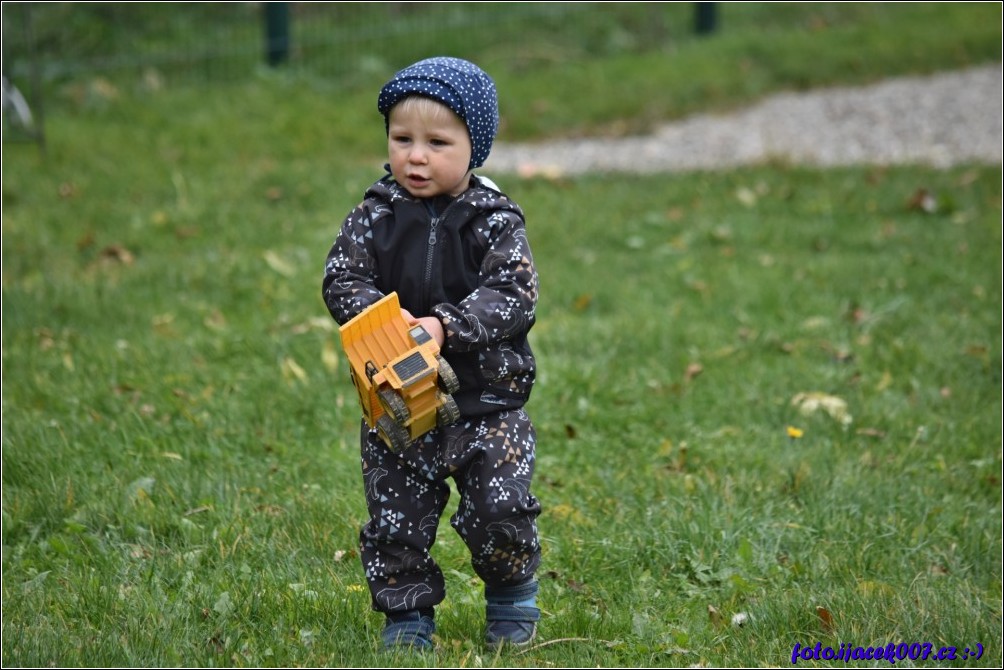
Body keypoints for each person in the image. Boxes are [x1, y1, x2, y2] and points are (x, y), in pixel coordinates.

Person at [321, 56, 542, 652]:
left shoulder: (494, 223)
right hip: (397, 400)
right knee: (395, 518)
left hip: (486, 403)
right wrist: (385, 319)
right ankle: (407, 617)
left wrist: (446, 325)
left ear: (476, 148)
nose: (416, 157)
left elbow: (514, 294)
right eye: (402, 139)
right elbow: (341, 278)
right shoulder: (376, 215)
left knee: (501, 509)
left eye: (437, 143)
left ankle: (511, 596)